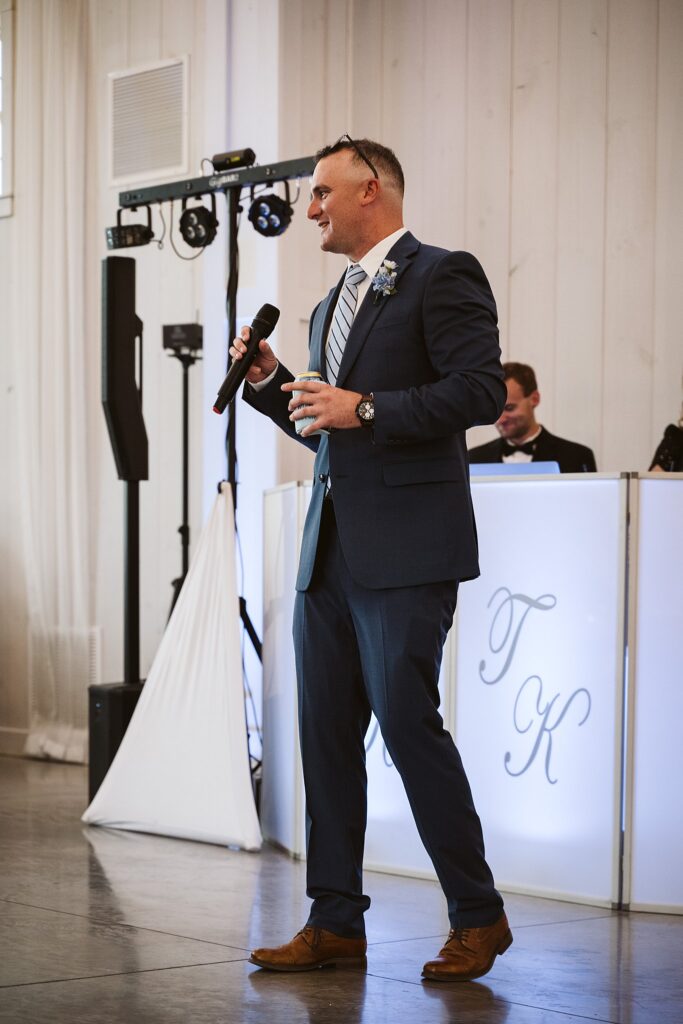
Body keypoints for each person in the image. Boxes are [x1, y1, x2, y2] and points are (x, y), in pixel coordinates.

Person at [230, 136, 511, 982]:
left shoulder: (440, 273)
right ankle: (335, 920)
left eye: (321, 191)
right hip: (331, 552)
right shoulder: (326, 308)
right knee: (323, 738)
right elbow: (326, 424)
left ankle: (478, 915)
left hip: (406, 552)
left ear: (372, 191)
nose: (309, 207)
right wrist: (274, 382)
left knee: (407, 727)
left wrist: (369, 407)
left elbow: (479, 392)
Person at [468, 362, 597, 472]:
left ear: (534, 399)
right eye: (495, 411)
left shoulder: (577, 457)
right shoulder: (473, 459)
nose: (500, 419)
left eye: (509, 408)